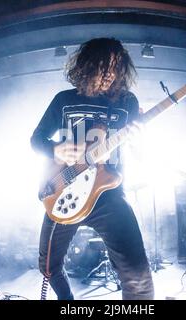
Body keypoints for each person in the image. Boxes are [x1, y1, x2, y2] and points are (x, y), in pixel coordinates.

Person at [31, 38, 154, 300]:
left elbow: (137, 151)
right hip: (64, 188)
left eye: (116, 66)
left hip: (109, 194)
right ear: (87, 66)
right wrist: (56, 149)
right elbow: (36, 139)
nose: (110, 72)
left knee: (137, 274)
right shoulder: (63, 99)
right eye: (103, 65)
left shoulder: (127, 101)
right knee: (48, 266)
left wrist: (138, 138)